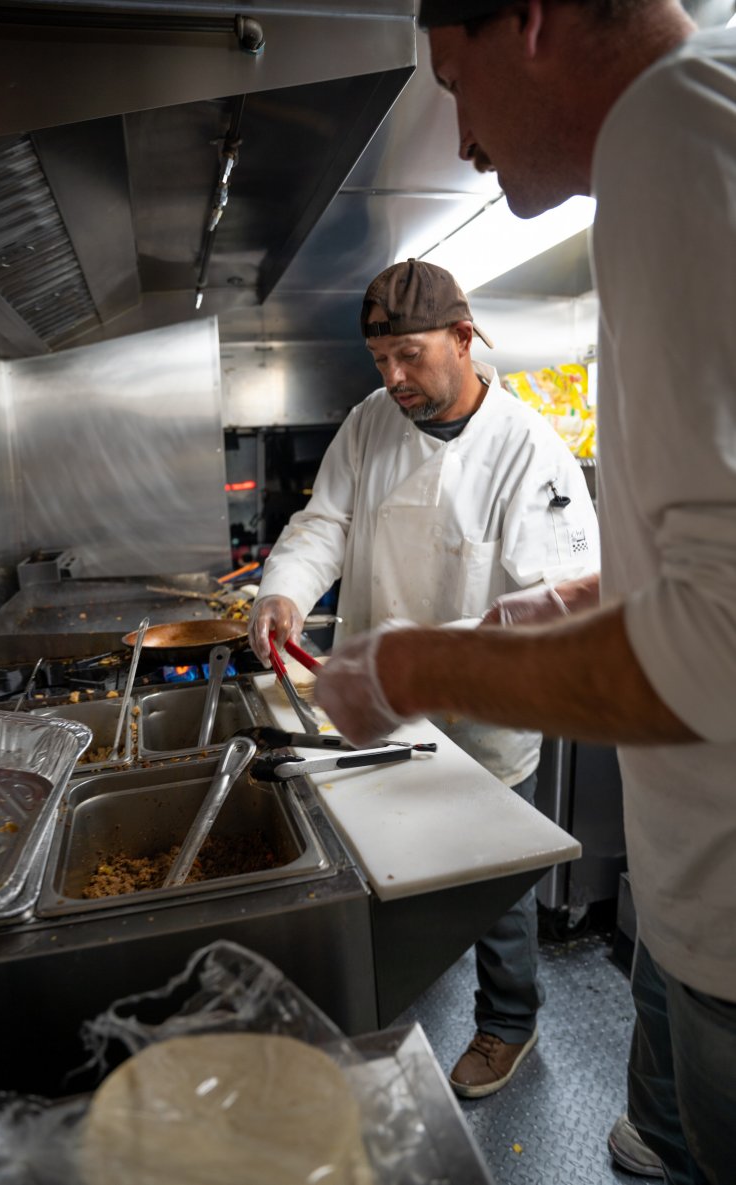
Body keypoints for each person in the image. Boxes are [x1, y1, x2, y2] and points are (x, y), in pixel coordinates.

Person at [313, 4, 736, 1185]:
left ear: (534, 20)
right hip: (696, 884)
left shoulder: (673, 129)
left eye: (453, 78)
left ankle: (511, 1030)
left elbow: (718, 647)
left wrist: (410, 667)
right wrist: (585, 599)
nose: (458, 139)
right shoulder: (707, 119)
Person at [248, 256, 600, 1099]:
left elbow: (559, 610)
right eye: (381, 362)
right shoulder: (372, 421)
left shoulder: (529, 450)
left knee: (493, 879)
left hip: (486, 716)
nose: (394, 378)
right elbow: (323, 522)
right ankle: (409, 989)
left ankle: (508, 1022)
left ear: (463, 338)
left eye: (410, 358)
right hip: (381, 711)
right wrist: (283, 592)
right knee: (391, 858)